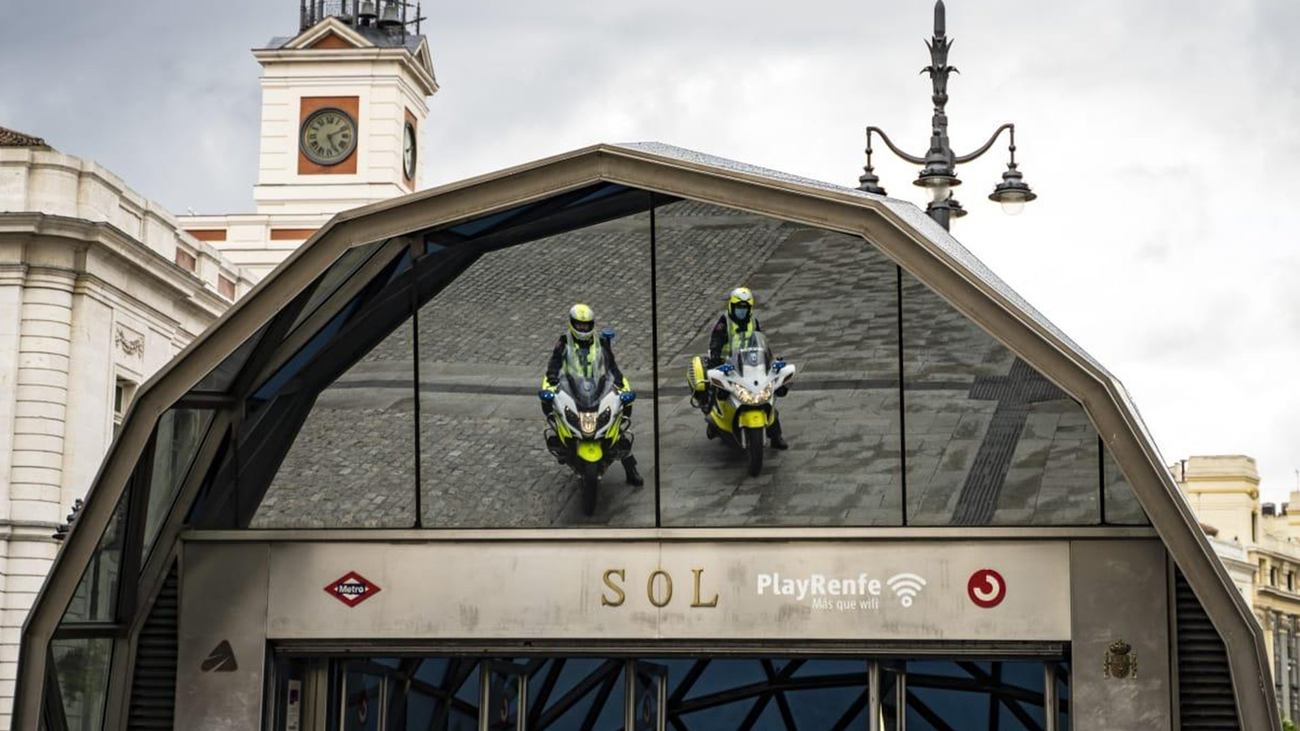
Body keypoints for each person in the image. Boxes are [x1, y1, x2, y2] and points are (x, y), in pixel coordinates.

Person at [542, 303, 644, 486]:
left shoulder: (601, 342)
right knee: (551, 402)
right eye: (579, 325)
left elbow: (611, 365)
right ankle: (562, 439)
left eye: (586, 325)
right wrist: (552, 378)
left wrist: (620, 383)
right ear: (573, 324)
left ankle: (631, 469)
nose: (583, 328)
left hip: (598, 386)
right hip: (572, 386)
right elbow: (555, 362)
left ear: (592, 324)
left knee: (618, 426)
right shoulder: (564, 341)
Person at [704, 287, 788, 449]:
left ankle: (776, 436)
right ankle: (713, 420)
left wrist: (769, 358)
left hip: (749, 363)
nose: (741, 311)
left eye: (745, 308)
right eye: (739, 308)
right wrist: (716, 359)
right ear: (732, 306)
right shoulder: (724, 322)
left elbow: (761, 341)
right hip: (727, 364)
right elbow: (715, 342)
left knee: (766, 395)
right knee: (718, 390)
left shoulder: (753, 321)